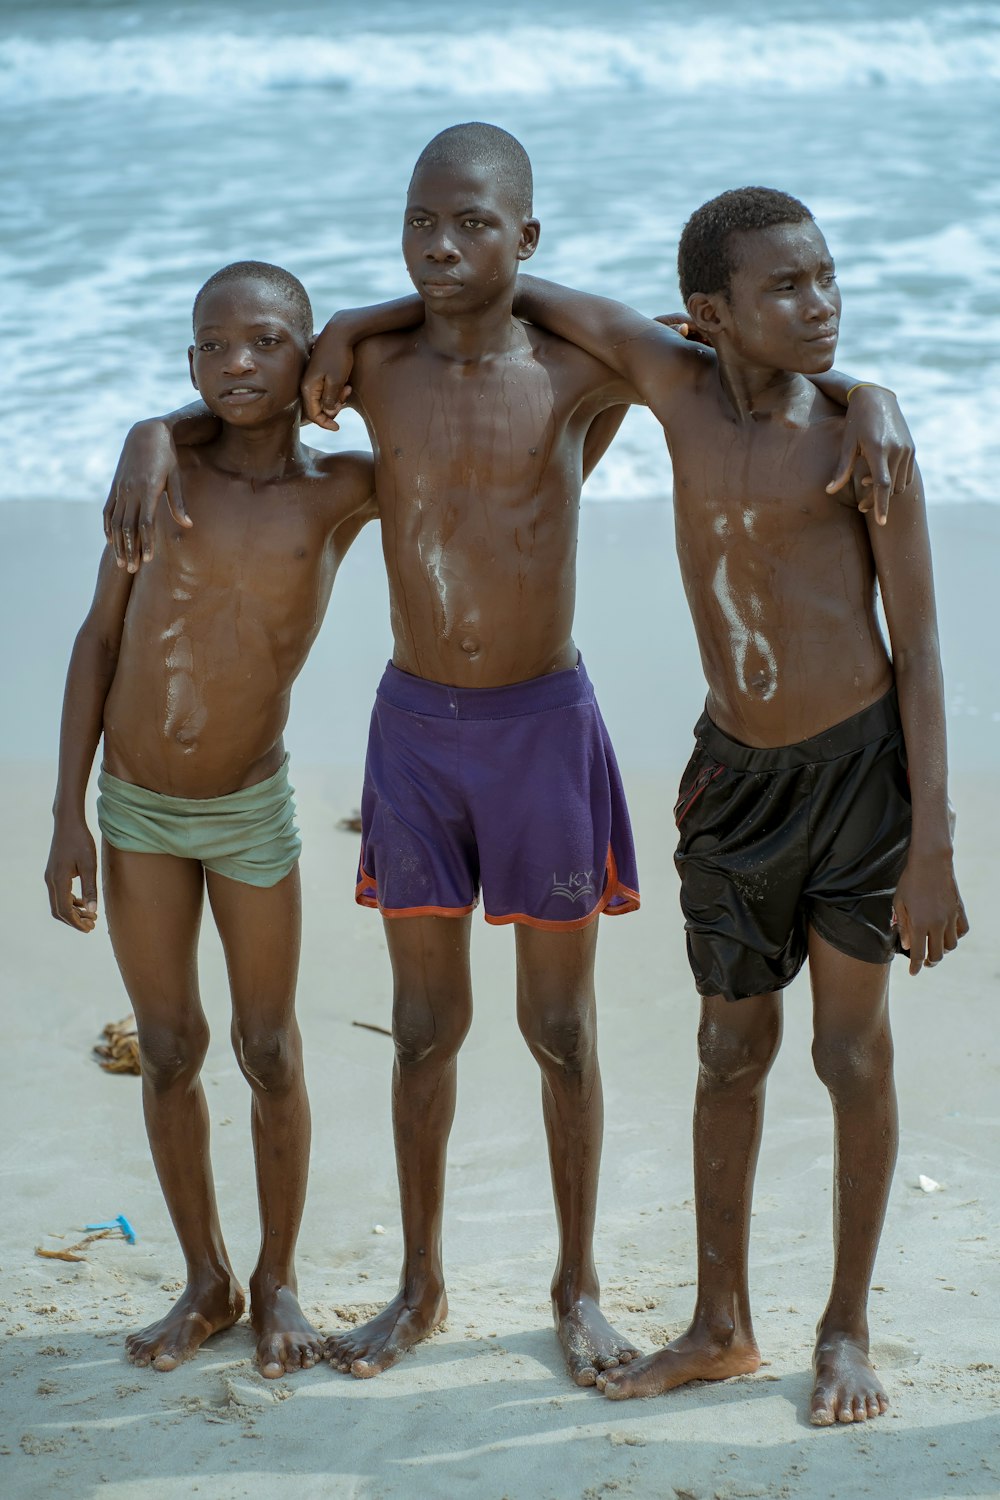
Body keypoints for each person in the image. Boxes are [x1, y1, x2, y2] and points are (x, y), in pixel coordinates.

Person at [101, 125, 913, 1389]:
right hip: (418, 732)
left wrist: (876, 395)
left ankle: (577, 1284)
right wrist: (153, 429)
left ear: (525, 235)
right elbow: (240, 407)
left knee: (559, 1030)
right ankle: (419, 1286)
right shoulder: (364, 366)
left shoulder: (584, 364)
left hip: (544, 728)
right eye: (420, 222)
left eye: (474, 223)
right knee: (424, 1027)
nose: (441, 244)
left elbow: (752, 355)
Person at [510, 188, 968, 1423]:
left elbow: (919, 651)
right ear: (712, 313)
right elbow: (518, 288)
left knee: (847, 1049)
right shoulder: (671, 384)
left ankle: (845, 1328)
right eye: (785, 287)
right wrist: (361, 325)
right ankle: (721, 1326)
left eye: (826, 277)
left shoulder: (862, 437)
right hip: (734, 781)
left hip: (860, 777)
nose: (819, 304)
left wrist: (933, 844)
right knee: (729, 1049)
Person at [45, 262, 376, 1379]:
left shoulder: (339, 494)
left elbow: (503, 474)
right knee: (172, 1048)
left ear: (307, 360)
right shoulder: (161, 477)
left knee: (269, 1046)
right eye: (213, 348)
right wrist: (65, 817)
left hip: (248, 813)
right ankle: (207, 1280)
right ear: (189, 363)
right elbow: (99, 641)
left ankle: (278, 1279)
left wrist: (611, 390)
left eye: (267, 344)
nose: (238, 364)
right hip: (134, 810)